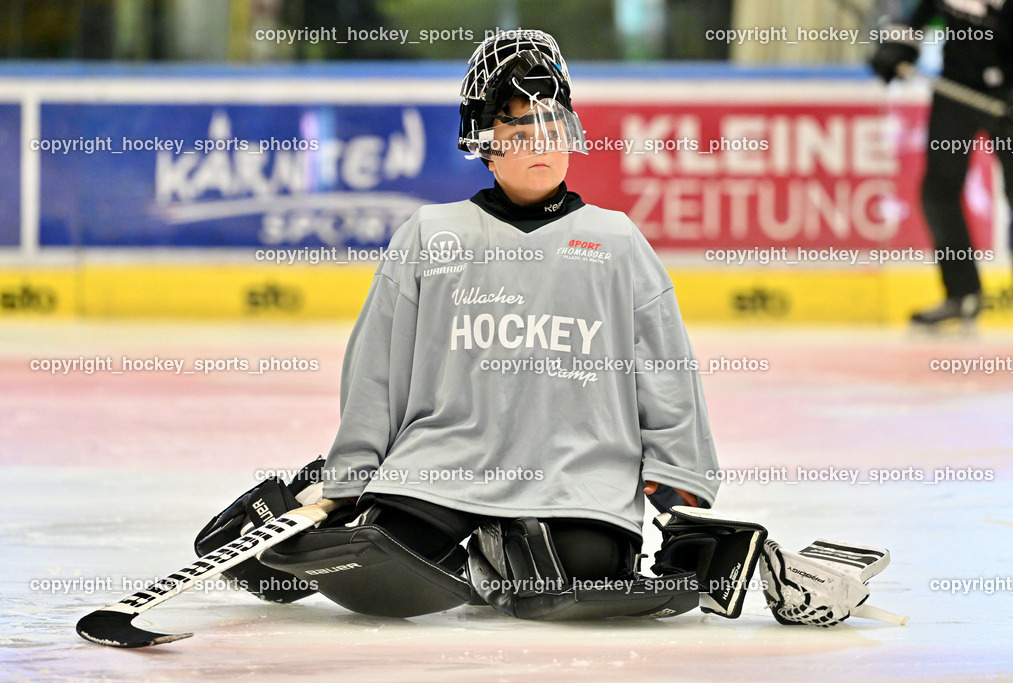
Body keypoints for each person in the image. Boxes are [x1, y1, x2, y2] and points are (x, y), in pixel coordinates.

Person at [195, 29, 744, 622]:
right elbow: (377, 370)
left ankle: (488, 556)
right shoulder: (432, 235)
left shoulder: (617, 241)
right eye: (519, 129)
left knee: (587, 574)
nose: (542, 143)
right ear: (484, 144)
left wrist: (679, 488)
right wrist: (350, 473)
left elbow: (666, 370)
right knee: (379, 566)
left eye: (553, 126)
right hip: (442, 462)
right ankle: (369, 517)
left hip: (579, 474)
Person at [869, 0, 1013, 326]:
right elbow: (915, 22)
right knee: (938, 193)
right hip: (955, 93)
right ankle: (962, 293)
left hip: (1010, 100)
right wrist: (896, 50)